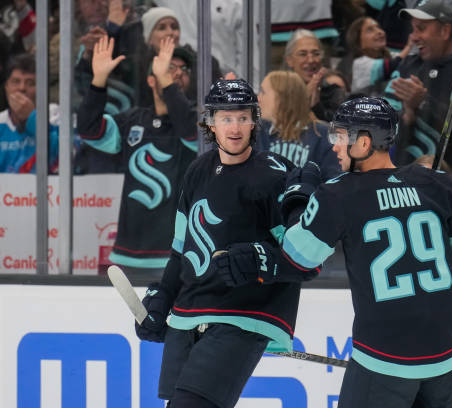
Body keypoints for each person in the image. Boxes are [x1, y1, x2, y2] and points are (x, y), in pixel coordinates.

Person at [214, 97, 452, 407]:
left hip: (385, 357)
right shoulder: (439, 184)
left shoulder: (338, 193)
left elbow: (298, 257)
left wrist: (298, 200)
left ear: (363, 142)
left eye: (340, 136)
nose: (334, 145)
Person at [134, 78, 311, 407]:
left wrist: (259, 261)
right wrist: (162, 297)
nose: (235, 127)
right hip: (189, 313)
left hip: (242, 315)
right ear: (210, 123)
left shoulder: (274, 174)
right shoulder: (198, 170)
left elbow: (303, 258)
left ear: (255, 121)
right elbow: (180, 252)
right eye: (226, 118)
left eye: (243, 117)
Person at [76, 36, 197, 273]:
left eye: (183, 69)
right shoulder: (133, 120)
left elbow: (190, 130)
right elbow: (89, 130)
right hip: (127, 256)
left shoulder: (197, 122)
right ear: (151, 80)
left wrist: (166, 79)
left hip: (177, 258)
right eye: (169, 67)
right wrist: (98, 81)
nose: (177, 74)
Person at [383, 0, 452, 175]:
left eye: (421, 29)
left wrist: (424, 104)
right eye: (413, 29)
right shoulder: (407, 66)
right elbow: (380, 123)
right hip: (403, 183)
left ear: (445, 31)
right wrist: (407, 116)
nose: (413, 37)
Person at [256, 70, 341, 180]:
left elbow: (334, 182)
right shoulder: (257, 132)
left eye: (263, 92)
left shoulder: (324, 135)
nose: (258, 98)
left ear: (282, 98)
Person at [0, 53, 59, 173]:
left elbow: (67, 152)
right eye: (15, 81)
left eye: (30, 83)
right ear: (6, 87)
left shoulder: (55, 114)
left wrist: (32, 117)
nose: (22, 88)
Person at [338, 16, 413, 96]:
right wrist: (409, 46)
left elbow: (409, 59)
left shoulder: (390, 55)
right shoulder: (359, 64)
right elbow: (392, 66)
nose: (380, 32)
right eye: (370, 30)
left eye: (378, 27)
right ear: (358, 41)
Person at [283, 29, 345, 122]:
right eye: (303, 54)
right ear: (289, 60)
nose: (311, 60)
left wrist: (316, 106)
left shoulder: (333, 92)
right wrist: (303, 99)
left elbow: (340, 128)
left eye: (316, 54)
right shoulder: (280, 92)